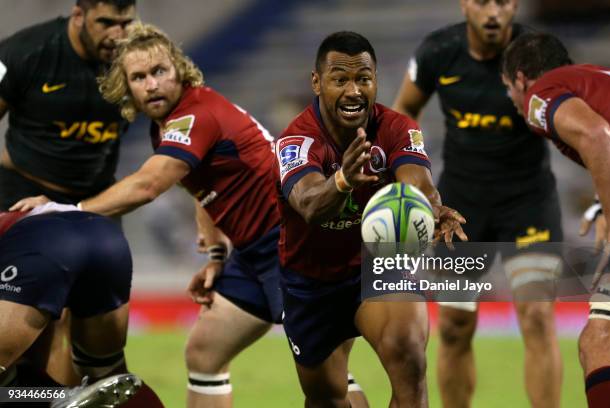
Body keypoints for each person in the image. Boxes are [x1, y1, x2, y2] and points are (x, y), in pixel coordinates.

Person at [11, 23, 369, 408]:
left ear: (179, 70)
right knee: (205, 353)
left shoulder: (196, 115)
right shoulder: (166, 125)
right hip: (255, 253)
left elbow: (150, 184)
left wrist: (64, 210)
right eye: (139, 77)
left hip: (297, 245)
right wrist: (216, 253)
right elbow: (201, 186)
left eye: (159, 71)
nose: (151, 84)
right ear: (125, 85)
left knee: (326, 380)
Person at [274, 30, 466, 407]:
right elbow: (309, 203)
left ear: (376, 80)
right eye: (339, 79)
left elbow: (419, 184)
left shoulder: (397, 127)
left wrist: (433, 206)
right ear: (317, 82)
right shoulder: (296, 140)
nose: (353, 91)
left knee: (408, 355)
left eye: (363, 78)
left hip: (377, 265)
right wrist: (343, 179)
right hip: (311, 282)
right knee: (327, 396)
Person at [392, 1, 563, 407]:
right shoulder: (437, 51)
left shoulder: (539, 53)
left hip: (528, 202)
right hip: (460, 207)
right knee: (453, 325)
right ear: (465, 3)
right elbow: (403, 113)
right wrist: (414, 179)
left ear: (515, 5)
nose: (492, 12)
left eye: (502, 2)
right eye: (482, 1)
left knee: (537, 318)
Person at [0, 0, 136, 386]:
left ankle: (59, 399)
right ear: (79, 15)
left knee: (81, 324)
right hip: (21, 193)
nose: (117, 34)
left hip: (94, 202)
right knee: (30, 322)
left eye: (126, 23)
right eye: (106, 22)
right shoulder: (25, 52)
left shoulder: (133, 63)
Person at [501, 31, 610, 408]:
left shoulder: (540, 95)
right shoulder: (595, 77)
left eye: (507, 88)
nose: (512, 100)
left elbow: (598, 135)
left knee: (600, 341)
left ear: (519, 79)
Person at [0, 206, 162, 407]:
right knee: (108, 374)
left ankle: (55, 399)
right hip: (103, 233)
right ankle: (59, 398)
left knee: (8, 384)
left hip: (40, 244)